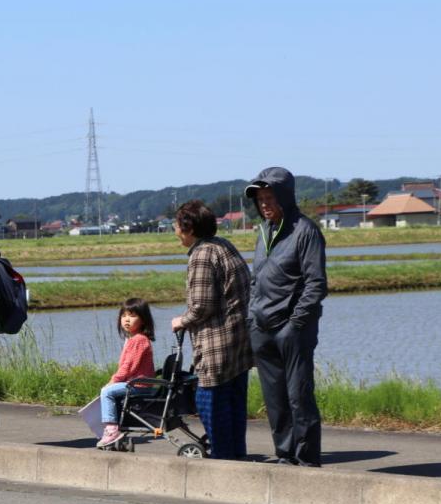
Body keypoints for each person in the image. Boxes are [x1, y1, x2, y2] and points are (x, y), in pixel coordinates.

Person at [244, 167, 327, 467]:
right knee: (275, 401)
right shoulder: (264, 231)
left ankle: (306, 460)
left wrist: (295, 324)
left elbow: (316, 283)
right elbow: (257, 280)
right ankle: (285, 455)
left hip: (292, 329)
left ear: (285, 196)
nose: (264, 203)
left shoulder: (305, 231)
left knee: (298, 397)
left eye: (270, 197)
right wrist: (251, 319)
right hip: (262, 328)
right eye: (260, 199)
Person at [170, 200, 253, 461]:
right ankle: (236, 455)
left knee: (211, 403)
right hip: (239, 339)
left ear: (188, 228)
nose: (174, 229)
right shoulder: (224, 245)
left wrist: (181, 321)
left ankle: (221, 460)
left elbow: (201, 306)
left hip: (216, 343)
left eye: (176, 225)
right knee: (234, 404)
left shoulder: (202, 254)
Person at [96, 298, 156, 449]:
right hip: (135, 383)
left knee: (107, 392)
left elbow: (128, 367)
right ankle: (114, 428)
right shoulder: (132, 339)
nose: (127, 320)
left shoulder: (139, 340)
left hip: (140, 384)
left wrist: (113, 380)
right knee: (110, 391)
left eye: (132, 316)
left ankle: (111, 429)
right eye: (124, 316)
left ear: (143, 320)